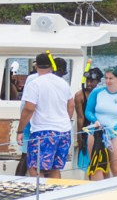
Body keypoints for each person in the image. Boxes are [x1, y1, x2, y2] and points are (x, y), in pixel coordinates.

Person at [16, 52, 75, 180]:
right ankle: (55, 191)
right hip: (64, 131)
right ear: (52, 66)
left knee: (35, 167)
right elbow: (71, 104)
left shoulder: (35, 83)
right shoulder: (62, 83)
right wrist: (65, 120)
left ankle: (41, 192)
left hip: (43, 132)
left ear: (36, 66)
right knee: (54, 168)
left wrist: (20, 130)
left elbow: (29, 108)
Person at [84, 66, 117, 178]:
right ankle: (99, 187)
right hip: (96, 131)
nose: (108, 81)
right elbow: (88, 111)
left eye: (111, 78)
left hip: (115, 131)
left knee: (116, 168)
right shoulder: (97, 92)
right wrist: (95, 120)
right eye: (106, 78)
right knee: (96, 167)